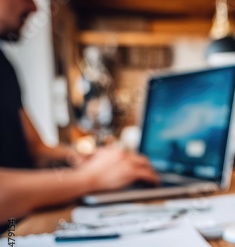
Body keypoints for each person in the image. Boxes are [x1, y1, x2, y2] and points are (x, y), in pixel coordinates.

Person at [0, 0, 159, 226]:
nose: (35, 8)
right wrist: (91, 177)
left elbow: (35, 149)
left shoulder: (4, 66)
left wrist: (78, 156)